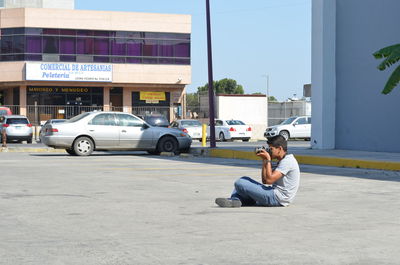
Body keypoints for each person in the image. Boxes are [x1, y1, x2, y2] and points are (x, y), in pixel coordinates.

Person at [215, 135, 300, 207]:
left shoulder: (288, 161)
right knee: (244, 180)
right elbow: (265, 180)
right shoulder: (284, 160)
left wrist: (268, 160)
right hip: (274, 194)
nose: (269, 152)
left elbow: (270, 180)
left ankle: (237, 199)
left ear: (280, 149)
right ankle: (237, 201)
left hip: (278, 198)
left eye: (271, 149)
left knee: (240, 182)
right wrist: (264, 161)